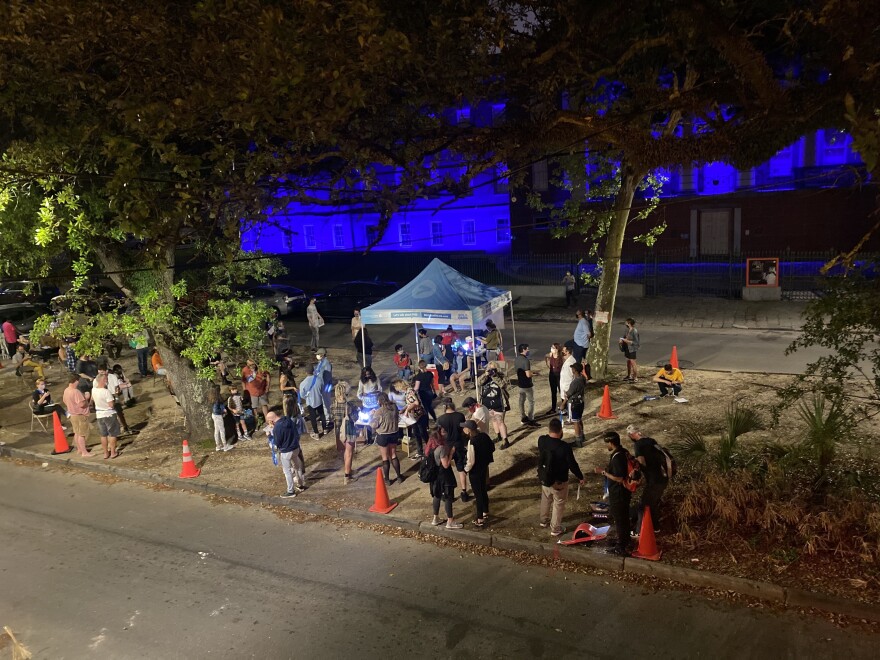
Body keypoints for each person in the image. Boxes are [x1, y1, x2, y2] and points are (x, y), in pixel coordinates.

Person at [538, 418, 585, 537]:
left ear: (549, 429)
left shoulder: (542, 440)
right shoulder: (564, 447)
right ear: (560, 431)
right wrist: (580, 477)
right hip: (559, 481)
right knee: (558, 504)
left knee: (546, 498)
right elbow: (572, 464)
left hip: (545, 478)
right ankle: (555, 528)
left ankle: (543, 521)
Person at [627, 425, 669, 534]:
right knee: (652, 503)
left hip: (654, 480)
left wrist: (636, 468)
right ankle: (655, 527)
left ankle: (639, 532)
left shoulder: (638, 445)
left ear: (631, 435)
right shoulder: (651, 440)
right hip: (663, 477)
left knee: (643, 505)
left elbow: (642, 462)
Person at [596, 431, 632, 556]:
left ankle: (621, 546)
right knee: (624, 518)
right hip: (625, 492)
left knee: (620, 519)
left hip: (619, 493)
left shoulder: (617, 457)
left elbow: (619, 478)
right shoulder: (624, 452)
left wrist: (603, 472)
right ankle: (625, 540)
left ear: (611, 443)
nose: (607, 446)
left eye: (607, 443)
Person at [425, 430, 463, 529]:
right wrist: (451, 453)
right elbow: (446, 465)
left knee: (437, 496)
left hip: (435, 477)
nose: (445, 435)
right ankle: (450, 521)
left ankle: (435, 518)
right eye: (442, 433)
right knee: (448, 497)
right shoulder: (441, 448)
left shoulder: (429, 449)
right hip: (444, 476)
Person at [462, 420, 494, 526]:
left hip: (475, 471)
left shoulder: (472, 442)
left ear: (469, 430)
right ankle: (485, 511)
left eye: (464, 428)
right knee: (483, 489)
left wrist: (466, 469)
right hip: (484, 467)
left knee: (478, 494)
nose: (463, 429)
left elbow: (471, 461)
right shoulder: (484, 436)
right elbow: (492, 447)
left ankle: (479, 518)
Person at [436, 399, 469, 502]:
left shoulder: (441, 419)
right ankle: (464, 492)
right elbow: (463, 431)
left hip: (446, 446)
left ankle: (448, 494)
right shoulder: (460, 416)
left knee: (446, 470)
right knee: (461, 468)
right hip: (458, 445)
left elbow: (439, 434)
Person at [369, 393, 403, 485]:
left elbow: (374, 425)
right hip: (394, 433)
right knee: (393, 455)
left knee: (385, 458)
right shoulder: (394, 407)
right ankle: (399, 477)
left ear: (379, 401)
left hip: (383, 435)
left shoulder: (379, 411)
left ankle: (387, 480)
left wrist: (371, 416)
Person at [273, 407, 308, 497]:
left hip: (286, 451)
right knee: (297, 467)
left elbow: (277, 442)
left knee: (287, 471)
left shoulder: (277, 427)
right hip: (295, 448)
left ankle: (290, 491)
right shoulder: (289, 421)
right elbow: (296, 433)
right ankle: (301, 485)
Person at [330, 382, 359, 484]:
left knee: (345, 452)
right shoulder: (349, 406)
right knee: (349, 453)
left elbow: (332, 417)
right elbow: (355, 418)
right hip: (349, 431)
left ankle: (348, 470)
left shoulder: (333, 405)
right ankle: (347, 476)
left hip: (339, 431)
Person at [478, 361, 511, 449]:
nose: (491, 371)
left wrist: (494, 376)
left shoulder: (501, 376)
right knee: (493, 419)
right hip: (487, 403)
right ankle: (498, 435)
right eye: (489, 369)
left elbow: (503, 385)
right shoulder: (485, 377)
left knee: (500, 421)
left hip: (499, 403)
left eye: (493, 369)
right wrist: (486, 374)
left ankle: (505, 440)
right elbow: (478, 383)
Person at [392, 378, 427, 459]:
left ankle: (429, 449)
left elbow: (416, 402)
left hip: (419, 415)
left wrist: (407, 410)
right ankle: (420, 452)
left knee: (422, 433)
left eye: (396, 387)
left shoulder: (410, 391)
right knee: (416, 434)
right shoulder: (406, 392)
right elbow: (409, 403)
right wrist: (404, 409)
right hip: (414, 417)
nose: (396, 389)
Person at [63, 374, 93, 457]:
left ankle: (80, 449)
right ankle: (84, 452)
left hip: (72, 414)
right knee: (82, 434)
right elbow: (81, 404)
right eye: (78, 381)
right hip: (80, 415)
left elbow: (64, 401)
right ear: (75, 381)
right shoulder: (75, 391)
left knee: (77, 432)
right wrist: (86, 398)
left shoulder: (66, 390)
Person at [92, 373, 121, 459]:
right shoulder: (106, 392)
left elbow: (93, 399)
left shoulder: (93, 390)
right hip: (109, 414)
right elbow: (111, 405)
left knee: (103, 435)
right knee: (113, 434)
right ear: (103, 381)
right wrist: (114, 399)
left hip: (99, 415)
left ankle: (105, 453)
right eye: (106, 379)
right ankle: (113, 452)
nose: (107, 381)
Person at [299, 365, 328, 439]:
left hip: (310, 402)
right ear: (313, 371)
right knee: (322, 415)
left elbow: (302, 395)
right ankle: (325, 429)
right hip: (319, 400)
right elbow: (322, 389)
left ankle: (316, 433)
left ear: (306, 372)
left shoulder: (303, 383)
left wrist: (307, 397)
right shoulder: (319, 380)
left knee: (313, 417)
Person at [515, 343, 539, 427]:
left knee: (521, 401)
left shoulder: (517, 359)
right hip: (527, 385)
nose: (528, 350)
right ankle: (531, 419)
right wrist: (535, 374)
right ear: (524, 350)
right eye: (527, 349)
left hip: (520, 384)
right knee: (531, 402)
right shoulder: (526, 361)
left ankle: (523, 417)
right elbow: (528, 374)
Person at [564, 362, 587, 447]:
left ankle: (578, 441)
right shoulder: (583, 378)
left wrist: (563, 404)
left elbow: (569, 394)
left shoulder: (575, 382)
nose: (572, 369)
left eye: (573, 368)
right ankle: (582, 436)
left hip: (574, 403)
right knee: (579, 419)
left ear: (575, 370)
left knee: (575, 422)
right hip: (581, 402)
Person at [241, 359, 270, 424]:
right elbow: (243, 381)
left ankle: (267, 419)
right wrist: (245, 390)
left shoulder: (261, 368)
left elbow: (268, 376)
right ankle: (257, 420)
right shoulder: (245, 370)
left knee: (264, 404)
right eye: (249, 365)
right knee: (254, 407)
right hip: (252, 392)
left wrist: (267, 386)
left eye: (253, 364)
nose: (251, 366)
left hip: (262, 390)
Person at [211, 385, 232, 452]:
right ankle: (225, 446)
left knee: (216, 430)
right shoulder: (217, 399)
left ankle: (218, 445)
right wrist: (223, 411)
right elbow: (216, 410)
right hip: (217, 416)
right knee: (222, 430)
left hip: (214, 415)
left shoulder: (212, 397)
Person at [545, 343, 564, 414]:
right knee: (553, 392)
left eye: (553, 347)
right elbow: (545, 356)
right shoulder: (551, 354)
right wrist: (548, 365)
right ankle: (553, 408)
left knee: (561, 391)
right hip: (552, 375)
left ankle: (564, 407)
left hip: (559, 375)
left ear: (557, 349)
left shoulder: (561, 357)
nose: (552, 348)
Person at [620, 318, 640, 382]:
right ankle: (629, 375)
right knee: (628, 362)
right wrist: (622, 340)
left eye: (626, 322)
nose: (625, 323)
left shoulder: (634, 331)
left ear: (629, 323)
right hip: (626, 348)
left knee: (633, 363)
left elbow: (636, 342)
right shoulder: (627, 330)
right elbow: (624, 337)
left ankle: (635, 377)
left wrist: (628, 341)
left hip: (632, 349)